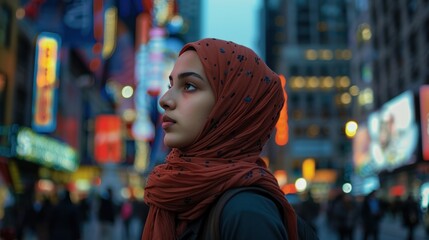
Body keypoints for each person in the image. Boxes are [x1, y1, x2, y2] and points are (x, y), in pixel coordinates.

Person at [141, 38, 305, 240]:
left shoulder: (247, 214)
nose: (164, 100)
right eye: (171, 84)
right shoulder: (175, 194)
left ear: (232, 109)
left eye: (189, 86)